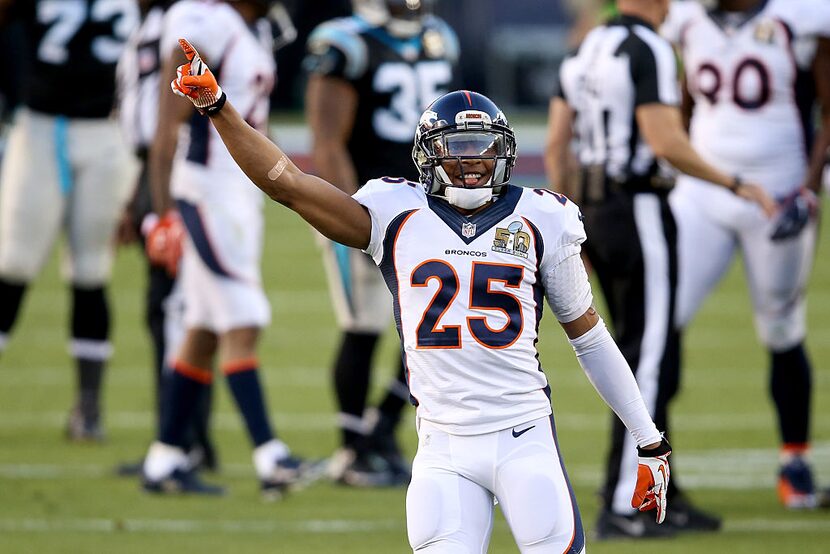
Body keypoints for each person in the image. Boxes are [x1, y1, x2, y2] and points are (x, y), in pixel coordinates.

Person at [168, 32, 675, 549]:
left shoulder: (544, 216)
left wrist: (649, 439)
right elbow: (288, 183)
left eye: (485, 149)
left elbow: (589, 338)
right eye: (457, 149)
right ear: (428, 156)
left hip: (525, 438)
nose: (473, 162)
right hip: (442, 449)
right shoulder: (394, 213)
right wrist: (218, 107)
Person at [545, 0, 777, 540]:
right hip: (639, 208)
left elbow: (558, 144)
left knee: (647, 350)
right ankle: (630, 504)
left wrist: (570, 218)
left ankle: (657, 497)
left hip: (594, 211)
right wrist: (738, 185)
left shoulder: (586, 45)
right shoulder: (647, 46)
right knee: (647, 358)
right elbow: (665, 141)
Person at [138, 0, 313, 498]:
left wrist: (296, 188)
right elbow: (168, 124)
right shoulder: (209, 22)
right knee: (243, 319)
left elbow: (253, 125)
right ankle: (270, 456)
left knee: (203, 331)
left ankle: (163, 459)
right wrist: (162, 212)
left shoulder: (247, 29)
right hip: (208, 191)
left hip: (234, 195)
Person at [661, 0, 830, 510]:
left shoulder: (798, 16)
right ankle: (650, 462)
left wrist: (807, 188)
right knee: (663, 320)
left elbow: (827, 107)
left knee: (782, 330)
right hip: (703, 192)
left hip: (777, 193)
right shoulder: (688, 17)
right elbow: (687, 97)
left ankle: (794, 463)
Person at [303, 0, 459, 487]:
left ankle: (384, 428)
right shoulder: (346, 43)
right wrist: (355, 216)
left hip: (430, 208)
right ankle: (353, 451)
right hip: (368, 208)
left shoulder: (439, 36)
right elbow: (326, 142)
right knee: (364, 325)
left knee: (436, 323)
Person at [0, 0, 139, 440]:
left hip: (109, 133)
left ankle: (89, 407)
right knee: (14, 265)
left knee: (92, 271)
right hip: (41, 127)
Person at [114, 0, 217, 476]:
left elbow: (167, 126)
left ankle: (182, 442)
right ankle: (179, 438)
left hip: (183, 178)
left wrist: (162, 212)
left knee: (183, 313)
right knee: (173, 312)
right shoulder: (165, 20)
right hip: (164, 175)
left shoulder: (185, 22)